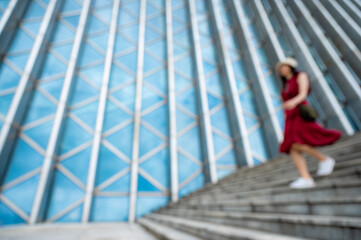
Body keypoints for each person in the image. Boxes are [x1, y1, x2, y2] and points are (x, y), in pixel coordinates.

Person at [276, 57, 342, 189]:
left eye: (283, 67)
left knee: (297, 142)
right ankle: (305, 177)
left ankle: (324, 159)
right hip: (290, 116)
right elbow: (284, 103)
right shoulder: (285, 84)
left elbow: (303, 94)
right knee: (291, 147)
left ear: (290, 66)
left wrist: (292, 102)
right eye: (280, 68)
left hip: (300, 112)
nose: (281, 70)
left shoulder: (300, 76)